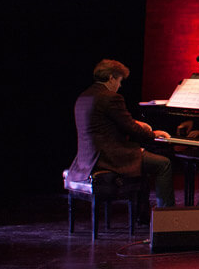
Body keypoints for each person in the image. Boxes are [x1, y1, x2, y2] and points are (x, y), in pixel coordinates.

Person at [67, 59, 174, 223]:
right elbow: (130, 128)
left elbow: (107, 122)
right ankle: (167, 219)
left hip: (87, 159)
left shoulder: (85, 96)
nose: (120, 85)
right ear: (111, 78)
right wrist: (153, 134)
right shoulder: (111, 97)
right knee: (163, 164)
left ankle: (142, 214)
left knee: (145, 160)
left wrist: (136, 124)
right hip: (109, 158)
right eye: (119, 80)